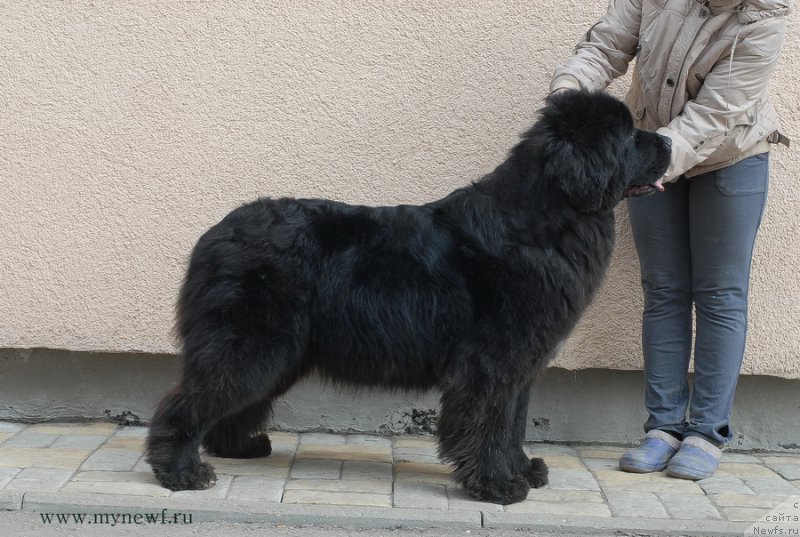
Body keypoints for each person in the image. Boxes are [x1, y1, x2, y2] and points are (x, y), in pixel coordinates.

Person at [550, 0, 792, 480]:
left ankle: (705, 434)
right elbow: (605, 46)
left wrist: (648, 160)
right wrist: (566, 98)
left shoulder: (764, 22)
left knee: (720, 295)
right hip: (649, 150)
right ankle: (662, 428)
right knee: (663, 290)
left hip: (730, 160)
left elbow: (714, 114)